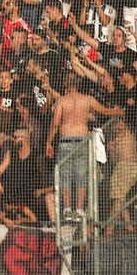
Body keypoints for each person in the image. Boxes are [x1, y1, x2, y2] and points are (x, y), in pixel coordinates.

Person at [46, 75, 124, 220]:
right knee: (81, 175)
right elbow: (105, 111)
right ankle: (80, 209)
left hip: (66, 140)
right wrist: (118, 112)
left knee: (65, 175)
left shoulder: (61, 101)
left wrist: (49, 142)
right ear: (78, 83)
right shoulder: (86, 99)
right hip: (82, 140)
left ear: (65, 84)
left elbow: (55, 123)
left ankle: (68, 210)